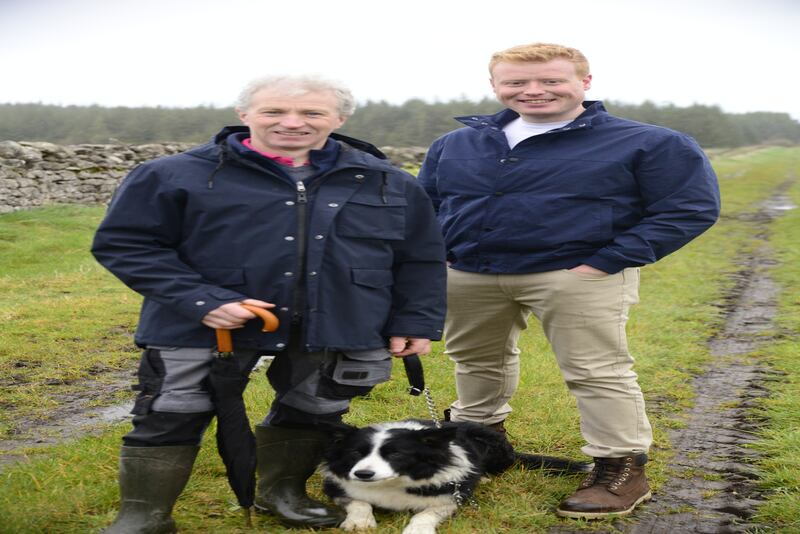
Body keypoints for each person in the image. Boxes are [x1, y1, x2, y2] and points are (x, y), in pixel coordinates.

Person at [92, 75, 446, 532]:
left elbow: (419, 257)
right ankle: (143, 514)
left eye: (312, 113)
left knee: (314, 409)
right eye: (274, 111)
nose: (292, 122)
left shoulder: (388, 181)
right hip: (202, 322)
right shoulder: (173, 173)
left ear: (339, 119)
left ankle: (284, 493)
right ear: (244, 115)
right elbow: (126, 244)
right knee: (171, 410)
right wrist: (203, 301)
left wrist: (415, 319)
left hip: (339, 319)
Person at [417, 42, 720, 519]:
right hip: (470, 275)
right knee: (475, 361)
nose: (533, 91)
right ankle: (479, 443)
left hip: (576, 274)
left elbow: (690, 208)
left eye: (551, 81)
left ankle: (621, 469)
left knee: (597, 371)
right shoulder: (456, 144)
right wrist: (440, 256)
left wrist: (608, 260)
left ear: (585, 82)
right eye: (516, 82)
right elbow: (427, 206)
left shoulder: (650, 142)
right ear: (496, 86)